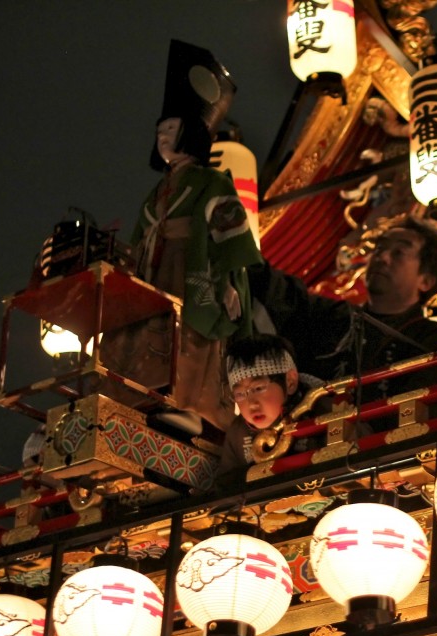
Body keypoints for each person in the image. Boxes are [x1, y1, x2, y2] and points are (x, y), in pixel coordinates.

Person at [102, 40, 261, 435]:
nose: (163, 138)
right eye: (159, 131)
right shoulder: (154, 194)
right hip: (152, 273)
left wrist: (227, 282)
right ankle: (137, 400)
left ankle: (189, 404)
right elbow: (139, 238)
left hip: (190, 268)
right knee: (141, 332)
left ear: (189, 132)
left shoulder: (211, 181)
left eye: (171, 129)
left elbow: (228, 232)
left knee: (188, 336)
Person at [246, 214, 437, 416]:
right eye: (380, 248)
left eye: (398, 252)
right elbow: (278, 293)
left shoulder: (431, 338)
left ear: (426, 281)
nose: (381, 257)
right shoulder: (332, 318)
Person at [216, 334, 331, 481]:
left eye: (258, 388)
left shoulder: (325, 409)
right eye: (240, 394)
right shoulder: (238, 432)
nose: (251, 404)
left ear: (290, 382)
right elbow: (226, 486)